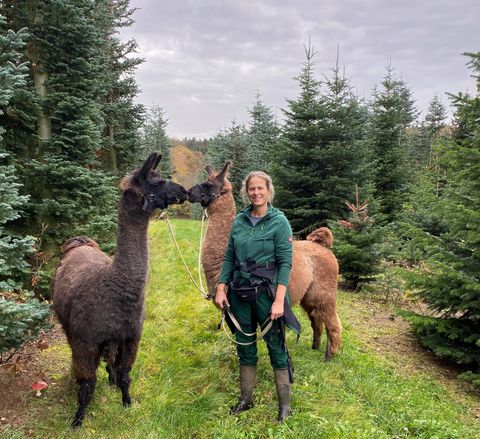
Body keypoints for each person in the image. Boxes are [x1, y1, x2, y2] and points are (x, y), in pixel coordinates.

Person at [215, 171, 300, 422]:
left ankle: (285, 405)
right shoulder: (240, 220)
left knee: (276, 345)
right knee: (245, 345)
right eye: (251, 189)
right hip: (240, 292)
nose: (256, 193)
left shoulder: (279, 221)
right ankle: (246, 399)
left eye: (260, 188)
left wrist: (278, 300)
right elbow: (230, 254)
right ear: (246, 191)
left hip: (266, 293)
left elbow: (285, 263)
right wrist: (222, 286)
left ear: (268, 190)